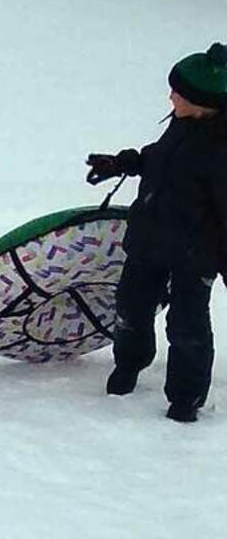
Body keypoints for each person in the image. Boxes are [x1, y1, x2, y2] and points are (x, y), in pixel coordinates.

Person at [85, 43, 227, 423]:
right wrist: (123, 162)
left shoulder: (221, 150)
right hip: (149, 239)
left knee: (187, 325)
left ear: (202, 102)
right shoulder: (184, 122)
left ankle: (186, 396)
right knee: (130, 306)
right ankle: (129, 364)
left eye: (177, 93)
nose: (171, 96)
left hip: (194, 253)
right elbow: (161, 157)